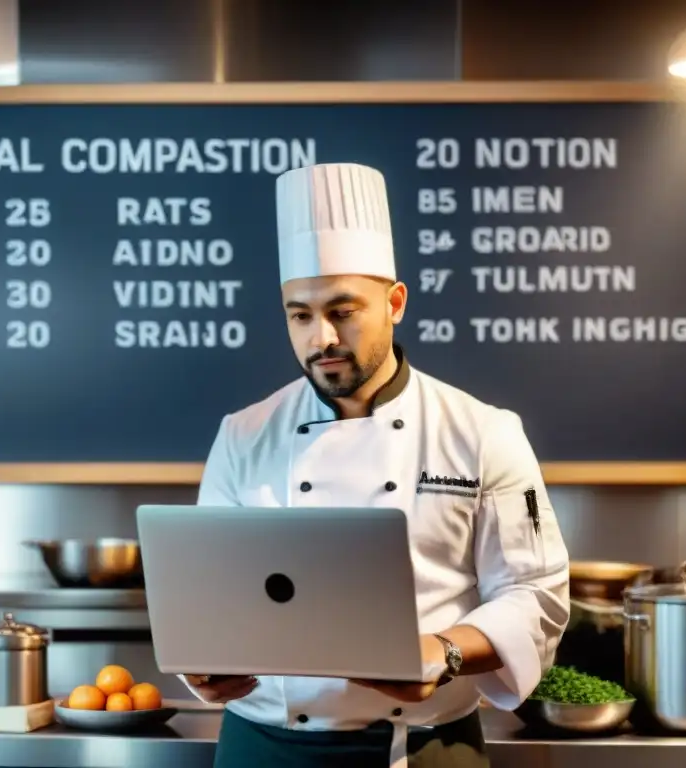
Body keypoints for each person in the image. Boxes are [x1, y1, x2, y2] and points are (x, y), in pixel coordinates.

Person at [181, 162, 571, 768]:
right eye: (300, 315)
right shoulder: (243, 434)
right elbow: (208, 596)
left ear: (394, 303)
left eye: (343, 310)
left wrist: (444, 652)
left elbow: (534, 593)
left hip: (426, 745)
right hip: (263, 747)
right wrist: (202, 667)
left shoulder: (483, 432)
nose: (322, 340)